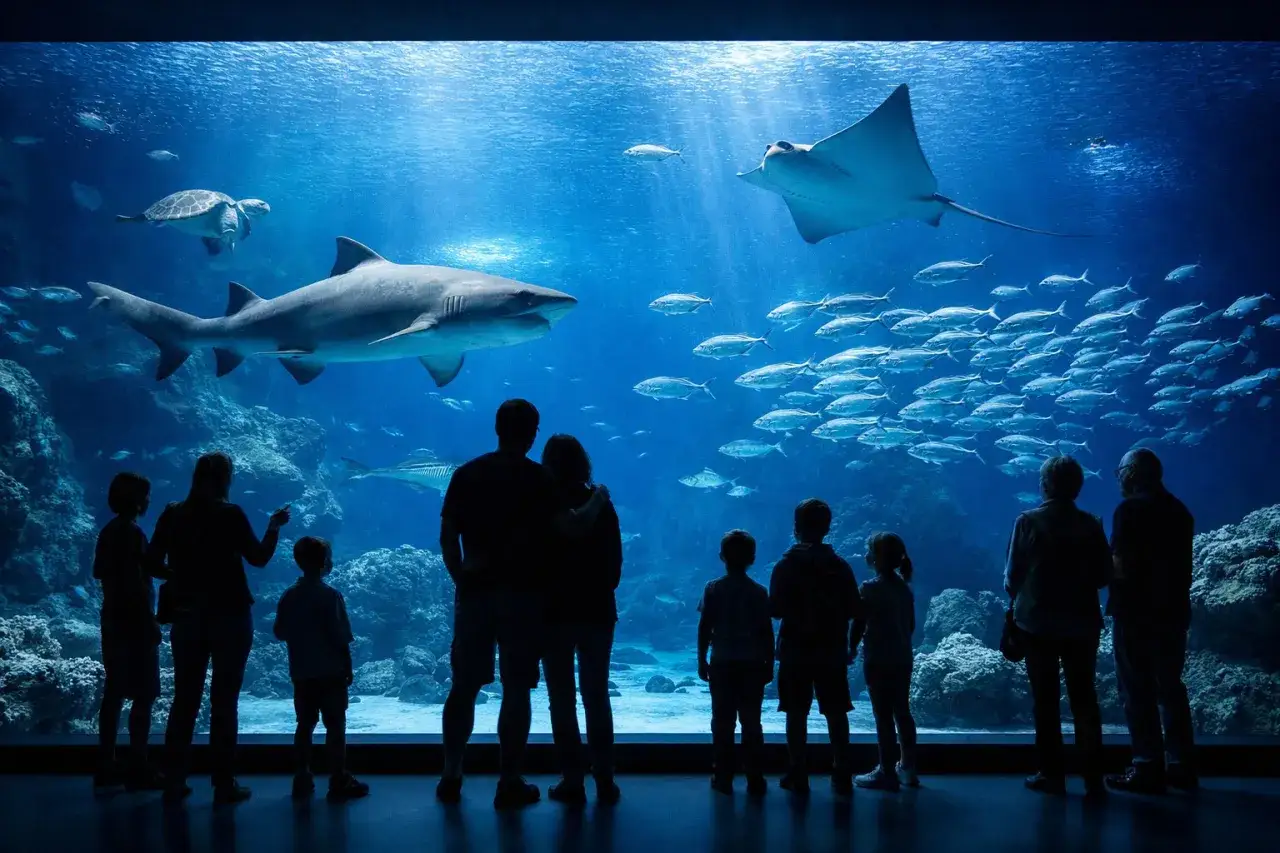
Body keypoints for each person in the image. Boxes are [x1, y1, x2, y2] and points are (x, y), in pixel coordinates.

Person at [437, 399, 610, 809]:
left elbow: (447, 535)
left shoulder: (467, 473)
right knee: (517, 689)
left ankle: (451, 773)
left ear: (497, 428)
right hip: (524, 598)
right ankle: (509, 780)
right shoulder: (539, 479)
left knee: (463, 686)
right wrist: (598, 498)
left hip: (475, 593)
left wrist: (460, 577)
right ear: (533, 433)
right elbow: (572, 525)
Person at [148, 451, 290, 803]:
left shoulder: (172, 513)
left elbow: (151, 562)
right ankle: (223, 782)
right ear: (227, 477)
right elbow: (258, 558)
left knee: (184, 699)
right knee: (225, 701)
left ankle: (174, 779)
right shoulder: (230, 514)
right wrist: (273, 528)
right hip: (230, 614)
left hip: (187, 614)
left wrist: (180, 578)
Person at [1004, 455, 1111, 797]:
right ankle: (1094, 776)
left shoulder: (1028, 522)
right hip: (1082, 624)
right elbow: (1103, 575)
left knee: (1045, 701)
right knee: (1085, 699)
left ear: (1045, 484)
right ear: (1078, 487)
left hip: (1038, 625)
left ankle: (1052, 775)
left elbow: (1011, 578)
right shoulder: (1091, 524)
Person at [1105, 448, 1197, 794]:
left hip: (1135, 611)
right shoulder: (1180, 512)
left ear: (1131, 474)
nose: (1118, 480)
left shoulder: (1129, 510)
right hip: (1173, 611)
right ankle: (1181, 766)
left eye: (1120, 473)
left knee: (1136, 689)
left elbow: (1121, 564)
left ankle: (1146, 766)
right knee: (1170, 687)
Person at [540, 434, 624, 806]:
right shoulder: (603, 505)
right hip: (597, 611)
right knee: (597, 696)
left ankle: (572, 779)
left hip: (555, 613)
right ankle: (605, 778)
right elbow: (615, 566)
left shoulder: (542, 503)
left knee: (561, 699)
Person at [768, 498, 862, 796]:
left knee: (796, 712)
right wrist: (851, 644)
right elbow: (854, 609)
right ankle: (842, 770)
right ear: (828, 528)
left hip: (795, 648)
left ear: (795, 528)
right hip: (831, 647)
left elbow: (776, 609)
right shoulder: (840, 566)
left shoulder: (785, 565)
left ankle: (798, 771)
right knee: (836, 711)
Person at [273, 536, 369, 802]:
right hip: (331, 672)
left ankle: (301, 777)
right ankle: (338, 778)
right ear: (326, 563)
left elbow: (279, 631)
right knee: (335, 725)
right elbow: (341, 636)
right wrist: (347, 665)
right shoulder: (331, 596)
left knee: (304, 724)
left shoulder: (289, 595)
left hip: (301, 671)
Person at [93, 472, 169, 791]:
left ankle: (107, 763)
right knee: (144, 694)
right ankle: (139, 764)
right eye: (147, 495)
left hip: (112, 620)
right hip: (135, 624)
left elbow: (99, 571)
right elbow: (142, 578)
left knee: (113, 693)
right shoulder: (133, 533)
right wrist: (150, 622)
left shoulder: (108, 531)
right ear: (138, 500)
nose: (149, 501)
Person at [698, 530, 774, 796]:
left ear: (721, 557)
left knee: (722, 720)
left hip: (722, 664)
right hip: (753, 664)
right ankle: (755, 776)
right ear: (752, 558)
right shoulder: (759, 592)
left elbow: (704, 627)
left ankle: (723, 775)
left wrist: (701, 659)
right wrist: (769, 663)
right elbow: (767, 631)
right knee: (752, 721)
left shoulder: (713, 589)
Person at [850, 531, 919, 792]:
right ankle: (909, 768)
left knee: (882, 715)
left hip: (878, 659)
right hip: (902, 658)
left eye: (869, 550)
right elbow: (910, 626)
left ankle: (886, 771)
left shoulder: (869, 588)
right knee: (903, 711)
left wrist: (851, 648)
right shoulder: (905, 589)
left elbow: (858, 623)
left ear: (877, 558)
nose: (865, 555)